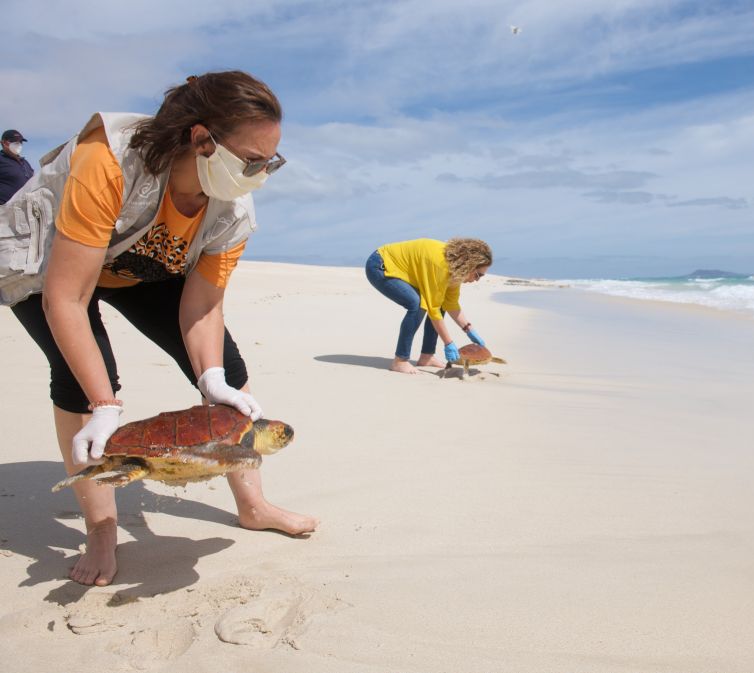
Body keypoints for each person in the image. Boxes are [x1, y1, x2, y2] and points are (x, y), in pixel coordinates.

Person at [0, 71, 318, 587]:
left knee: (229, 371)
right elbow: (67, 297)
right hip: (47, 265)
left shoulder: (232, 206)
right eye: (252, 161)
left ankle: (253, 504)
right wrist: (105, 406)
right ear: (200, 139)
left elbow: (204, 306)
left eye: (270, 163)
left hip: (139, 265)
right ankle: (101, 527)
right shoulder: (109, 160)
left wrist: (211, 377)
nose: (260, 174)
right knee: (83, 383)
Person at [365, 237, 493, 374]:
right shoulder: (440, 266)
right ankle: (400, 361)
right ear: (469, 265)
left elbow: (451, 304)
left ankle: (427, 356)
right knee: (417, 304)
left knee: (440, 303)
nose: (477, 280)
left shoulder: (455, 272)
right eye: (478, 275)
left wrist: (469, 330)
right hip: (381, 265)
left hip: (402, 271)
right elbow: (433, 309)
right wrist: (449, 343)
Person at [0, 129, 34, 204]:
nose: (19, 145)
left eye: (20, 142)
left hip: (24, 210)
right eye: (15, 142)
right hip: (4, 211)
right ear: (4, 143)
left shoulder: (25, 163)